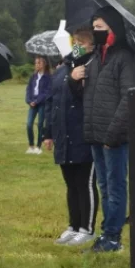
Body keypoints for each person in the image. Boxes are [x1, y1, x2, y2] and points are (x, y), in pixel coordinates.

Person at [81, 6, 135, 253]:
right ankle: (107, 232)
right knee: (104, 186)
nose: (95, 32)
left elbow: (128, 98)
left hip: (113, 137)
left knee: (115, 186)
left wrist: (112, 135)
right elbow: (66, 63)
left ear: (113, 30)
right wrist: (75, 75)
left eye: (100, 28)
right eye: (93, 28)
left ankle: (113, 237)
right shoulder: (94, 56)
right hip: (96, 134)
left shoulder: (124, 58)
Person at [44, 29, 99, 246]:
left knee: (85, 182)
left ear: (92, 46)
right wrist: (48, 133)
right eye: (74, 41)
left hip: (83, 133)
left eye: (82, 42)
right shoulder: (62, 69)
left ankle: (87, 228)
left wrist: (77, 80)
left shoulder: (91, 67)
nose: (76, 45)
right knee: (70, 183)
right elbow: (52, 101)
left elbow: (86, 97)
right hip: (63, 134)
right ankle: (73, 225)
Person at [25, 56, 53, 154]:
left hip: (42, 103)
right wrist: (29, 100)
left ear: (45, 64)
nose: (37, 65)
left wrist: (37, 101)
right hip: (32, 103)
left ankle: (38, 146)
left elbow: (47, 92)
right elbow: (28, 89)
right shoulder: (33, 76)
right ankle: (31, 145)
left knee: (40, 125)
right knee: (29, 124)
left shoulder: (49, 77)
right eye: (36, 63)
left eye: (39, 63)